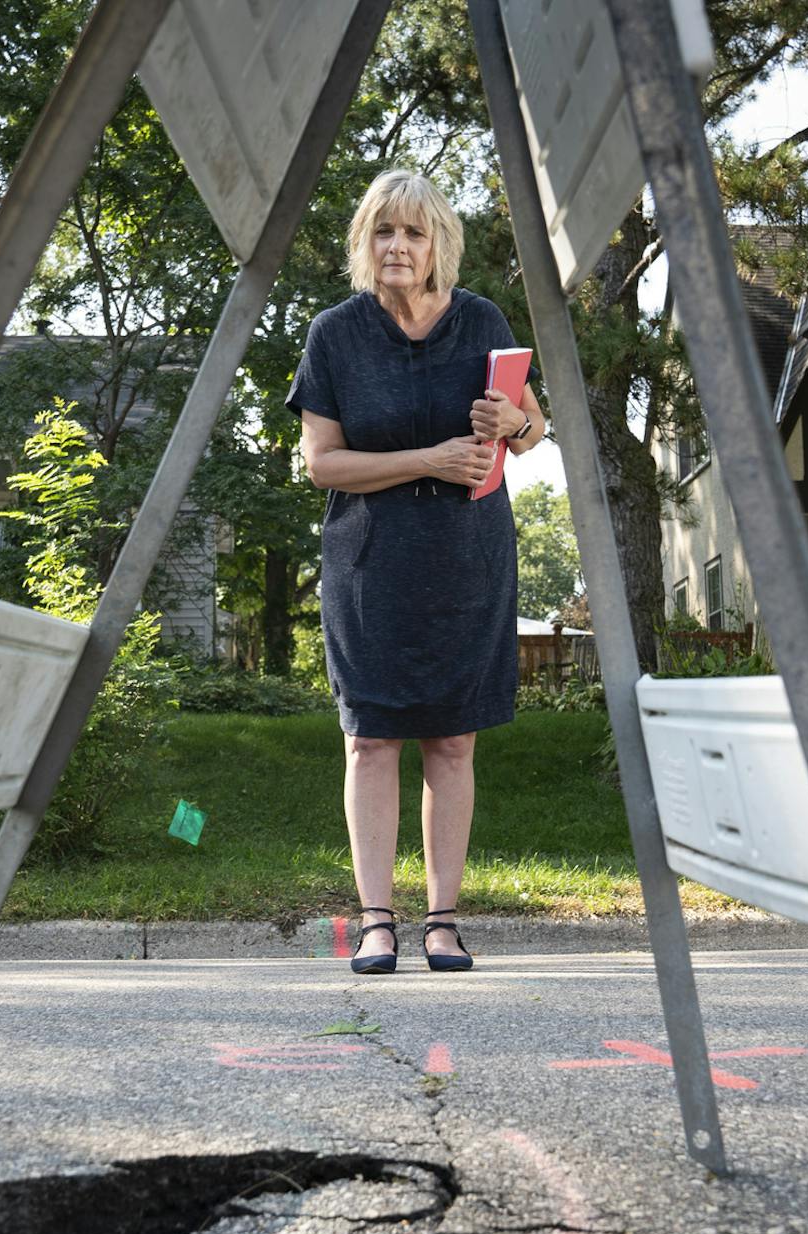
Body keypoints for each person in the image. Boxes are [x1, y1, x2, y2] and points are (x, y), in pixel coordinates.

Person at [284, 168, 547, 976]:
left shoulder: (482, 323)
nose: (398, 245)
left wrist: (518, 420)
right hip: (369, 563)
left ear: (440, 244)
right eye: (384, 231)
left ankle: (442, 921)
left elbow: (531, 429)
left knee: (453, 740)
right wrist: (426, 458)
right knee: (369, 741)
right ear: (366, 242)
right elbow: (322, 464)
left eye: (414, 232)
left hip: (468, 557)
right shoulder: (335, 333)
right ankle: (374, 922)